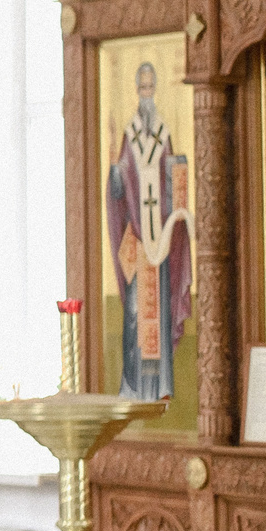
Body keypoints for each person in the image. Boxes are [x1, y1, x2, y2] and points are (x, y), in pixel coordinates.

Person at [108, 60, 193, 401]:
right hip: (138, 239)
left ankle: (160, 387)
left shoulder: (163, 133)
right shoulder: (129, 135)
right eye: (141, 88)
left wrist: (179, 182)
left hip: (160, 239)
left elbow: (173, 181)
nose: (146, 94)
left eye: (150, 88)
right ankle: (132, 386)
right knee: (132, 313)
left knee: (161, 308)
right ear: (136, 91)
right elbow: (117, 188)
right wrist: (116, 175)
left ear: (155, 90)